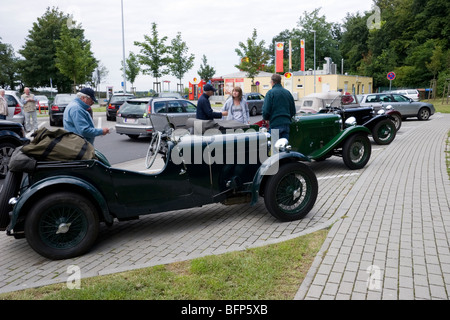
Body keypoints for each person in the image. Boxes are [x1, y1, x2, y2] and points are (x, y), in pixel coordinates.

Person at [262, 74, 296, 140]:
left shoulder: (270, 93)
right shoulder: (287, 93)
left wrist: (265, 118)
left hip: (275, 123)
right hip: (286, 124)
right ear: (280, 81)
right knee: (284, 147)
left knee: (275, 148)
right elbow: (293, 110)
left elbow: (266, 110)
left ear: (272, 82)